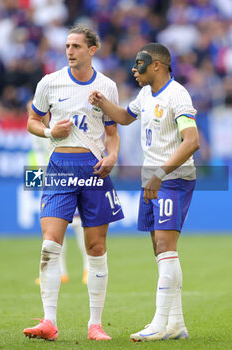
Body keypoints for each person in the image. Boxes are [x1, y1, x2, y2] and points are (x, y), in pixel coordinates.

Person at [89, 42, 199, 342]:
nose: (134, 69)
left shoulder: (177, 95)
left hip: (172, 178)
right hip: (151, 177)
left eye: (140, 64)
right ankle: (176, 323)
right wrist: (102, 103)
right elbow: (125, 117)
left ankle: (159, 323)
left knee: (165, 245)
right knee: (159, 248)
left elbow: (192, 141)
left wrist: (161, 174)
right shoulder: (146, 93)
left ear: (157, 66)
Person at [23, 24, 124, 342]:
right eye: (67, 46)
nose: (69, 51)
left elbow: (112, 133)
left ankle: (95, 325)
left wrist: (113, 157)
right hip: (59, 168)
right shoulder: (50, 83)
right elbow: (32, 121)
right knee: (50, 244)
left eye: (76, 46)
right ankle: (49, 322)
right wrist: (50, 132)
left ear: (92, 50)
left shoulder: (106, 86)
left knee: (96, 247)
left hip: (94, 171)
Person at [27, 103, 89, 286]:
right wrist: (36, 187)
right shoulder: (35, 137)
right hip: (50, 187)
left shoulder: (61, 127)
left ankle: (88, 268)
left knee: (79, 226)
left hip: (69, 182)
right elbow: (36, 160)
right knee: (52, 231)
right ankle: (60, 272)